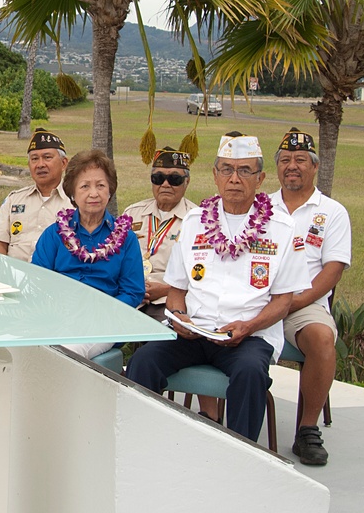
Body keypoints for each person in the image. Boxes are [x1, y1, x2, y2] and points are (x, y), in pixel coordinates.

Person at [125, 132, 310, 442]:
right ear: (215, 175)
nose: (234, 179)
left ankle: (244, 454)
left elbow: (282, 302)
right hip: (195, 331)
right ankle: (141, 442)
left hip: (249, 336)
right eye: (226, 169)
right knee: (144, 361)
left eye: (244, 170)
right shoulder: (195, 222)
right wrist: (178, 316)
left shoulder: (281, 229)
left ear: (260, 177)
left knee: (250, 373)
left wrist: (249, 326)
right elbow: (176, 290)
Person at [270, 127, 351, 465]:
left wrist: (293, 302)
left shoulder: (332, 212)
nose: (292, 166)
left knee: (321, 339)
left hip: (304, 304)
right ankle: (216, 419)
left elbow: (331, 271)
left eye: (301, 160)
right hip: (259, 300)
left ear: (314, 166)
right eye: (285, 160)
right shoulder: (261, 206)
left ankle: (307, 430)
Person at [32, 149, 145, 359]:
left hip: (105, 322)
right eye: (85, 186)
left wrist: (101, 313)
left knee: (68, 352)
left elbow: (133, 291)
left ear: (110, 191)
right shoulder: (54, 234)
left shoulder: (126, 238)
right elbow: (39, 283)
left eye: (100, 185)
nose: (94, 193)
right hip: (58, 317)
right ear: (72, 193)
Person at [123, 146, 198, 321]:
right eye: (158, 178)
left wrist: (166, 289)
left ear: (187, 182)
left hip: (168, 299)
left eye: (174, 179)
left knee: (161, 339)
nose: (165, 184)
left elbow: (202, 276)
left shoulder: (197, 220)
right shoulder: (132, 213)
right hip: (130, 294)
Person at [0, 128, 70, 261]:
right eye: (34, 159)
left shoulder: (76, 202)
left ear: (63, 163)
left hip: (55, 277)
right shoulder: (14, 200)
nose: (40, 164)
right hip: (14, 275)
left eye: (47, 157)